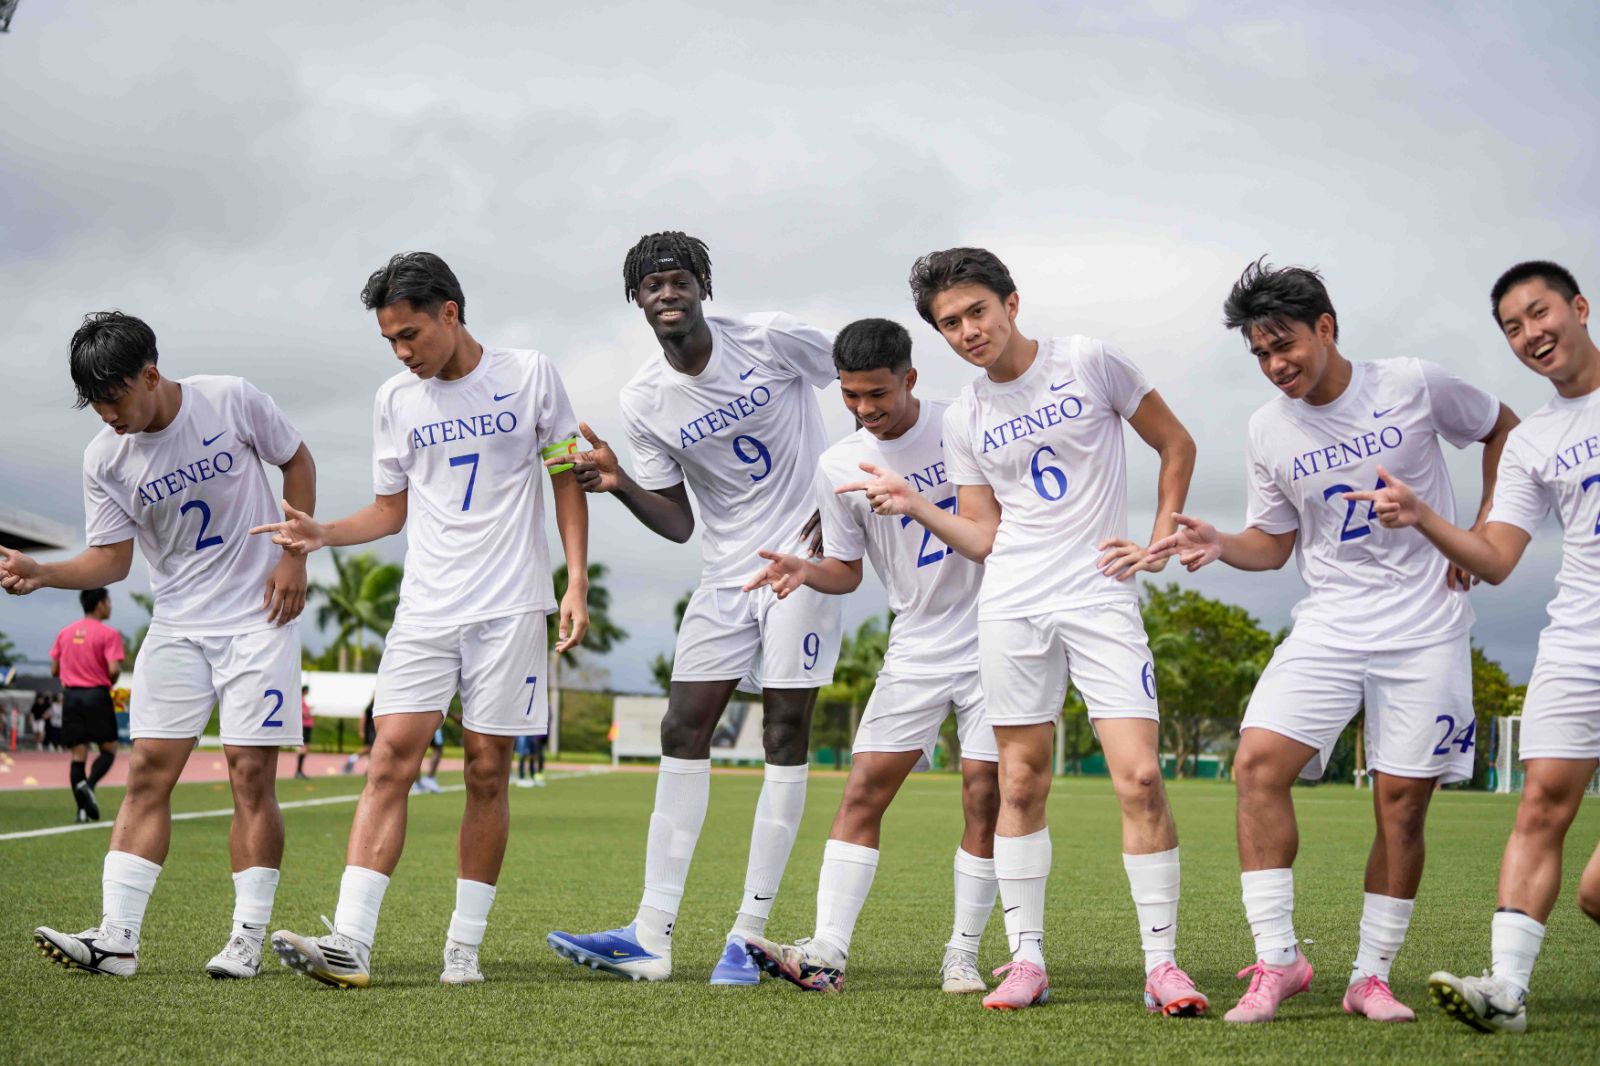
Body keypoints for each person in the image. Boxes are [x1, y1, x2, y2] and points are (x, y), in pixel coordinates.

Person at [1146, 260, 1517, 1023]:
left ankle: (1369, 978)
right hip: (1331, 623)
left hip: (1426, 628)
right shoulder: (1266, 428)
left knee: (1401, 805)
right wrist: (1221, 543)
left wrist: (1482, 531)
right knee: (1256, 764)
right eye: (1259, 355)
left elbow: (1502, 428)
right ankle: (1278, 964)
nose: (1275, 366)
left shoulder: (1413, 383)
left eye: (1285, 345)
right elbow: (1274, 544)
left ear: (1327, 326)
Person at [851, 247, 1202, 1013]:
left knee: (1140, 777)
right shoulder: (966, 415)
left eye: (977, 311)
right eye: (950, 324)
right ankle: (1026, 961)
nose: (969, 331)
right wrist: (915, 504)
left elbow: (1176, 444)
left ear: (1011, 301)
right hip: (1011, 602)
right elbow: (983, 535)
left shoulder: (1090, 362)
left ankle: (1163, 966)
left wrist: (1160, 537)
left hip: (1100, 593)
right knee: (1017, 782)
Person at [258, 252, 589, 987]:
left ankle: (463, 950)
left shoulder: (531, 373)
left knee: (485, 772)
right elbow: (389, 510)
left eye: (411, 335)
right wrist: (320, 533)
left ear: (450, 312)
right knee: (390, 759)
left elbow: (566, 477)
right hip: (427, 608)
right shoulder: (394, 401)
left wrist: (575, 582)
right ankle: (351, 940)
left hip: (510, 605)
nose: (403, 354)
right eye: (390, 342)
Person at [546, 232, 842, 985]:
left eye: (678, 280)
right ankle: (651, 934)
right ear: (637, 300)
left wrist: (839, 507)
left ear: (703, 285)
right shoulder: (644, 400)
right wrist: (617, 483)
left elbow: (863, 385)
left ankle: (747, 935)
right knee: (681, 726)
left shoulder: (773, 340)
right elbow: (676, 522)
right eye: (651, 286)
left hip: (800, 569)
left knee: (783, 728)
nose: (666, 294)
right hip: (723, 577)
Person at [4, 310, 316, 980]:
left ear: (150, 373)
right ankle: (117, 939)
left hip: (257, 620)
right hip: (176, 627)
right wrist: (46, 573)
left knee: (248, 775)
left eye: (114, 399)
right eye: (94, 405)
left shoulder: (229, 398)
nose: (107, 417)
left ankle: (246, 939)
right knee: (147, 772)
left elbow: (296, 459)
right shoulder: (104, 458)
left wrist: (294, 557)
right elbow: (112, 562)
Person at [1339, 261, 1600, 1034]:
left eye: (1540, 313)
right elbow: (1493, 557)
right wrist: (1421, 514)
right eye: (1513, 328)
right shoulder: (1536, 441)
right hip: (1578, 641)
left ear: (1579, 307)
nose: (1530, 335)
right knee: (1540, 806)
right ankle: (1508, 991)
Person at [739, 318, 1000, 995]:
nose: (864, 409)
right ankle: (826, 952)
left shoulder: (965, 422)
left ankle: (962, 956)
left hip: (999, 635)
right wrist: (804, 569)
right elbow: (846, 570)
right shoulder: (839, 464)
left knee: (986, 793)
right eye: (851, 396)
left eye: (877, 394)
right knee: (862, 791)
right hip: (917, 643)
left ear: (910, 378)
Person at [49, 587, 126, 821]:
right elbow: (113, 670)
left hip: (71, 697)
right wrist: (107, 681)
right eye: (109, 601)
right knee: (109, 749)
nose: (110, 606)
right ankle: (89, 786)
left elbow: (54, 669)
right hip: (96, 695)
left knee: (78, 754)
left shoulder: (65, 632)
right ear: (100, 604)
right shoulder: (108, 634)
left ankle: (81, 810)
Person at [343, 700, 375, 774]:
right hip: (369, 732)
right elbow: (363, 718)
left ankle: (368, 769)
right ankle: (350, 760)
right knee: (368, 749)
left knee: (371, 751)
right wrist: (361, 731)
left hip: (373, 732)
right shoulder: (370, 707)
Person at [296, 684, 313, 779]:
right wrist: (309, 711)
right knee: (304, 749)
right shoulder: (301, 700)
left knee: (305, 749)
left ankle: (299, 771)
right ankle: (299, 771)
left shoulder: (302, 700)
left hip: (307, 726)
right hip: (305, 726)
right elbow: (304, 714)